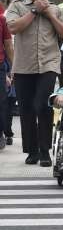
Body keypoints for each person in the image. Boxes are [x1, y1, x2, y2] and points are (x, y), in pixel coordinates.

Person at [6, 0, 63, 166]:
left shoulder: (55, 9)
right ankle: (31, 151)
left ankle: (45, 150)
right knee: (26, 108)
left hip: (49, 64)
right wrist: (34, 11)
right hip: (24, 65)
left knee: (42, 104)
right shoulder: (17, 7)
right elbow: (13, 28)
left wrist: (50, 15)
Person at [0, 13, 13, 149]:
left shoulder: (2, 20)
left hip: (0, 66)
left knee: (1, 102)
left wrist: (13, 68)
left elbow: (8, 44)